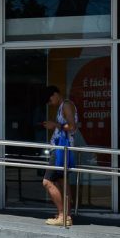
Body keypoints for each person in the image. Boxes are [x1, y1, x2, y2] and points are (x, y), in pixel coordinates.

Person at [41, 86, 78, 227]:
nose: (50, 103)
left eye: (50, 99)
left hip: (60, 149)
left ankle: (63, 215)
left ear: (56, 94)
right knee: (63, 181)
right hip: (62, 148)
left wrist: (54, 125)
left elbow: (72, 126)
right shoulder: (64, 105)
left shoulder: (66, 105)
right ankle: (66, 215)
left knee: (47, 181)